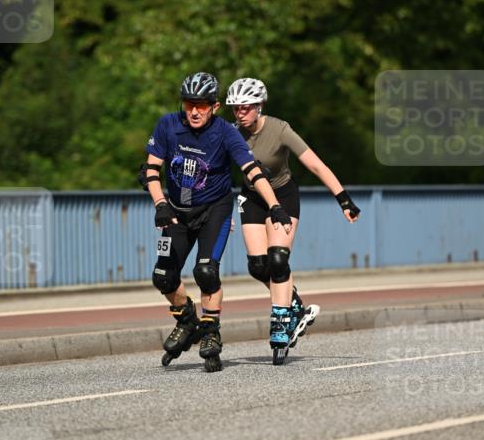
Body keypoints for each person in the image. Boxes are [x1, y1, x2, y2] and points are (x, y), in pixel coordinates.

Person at [140, 71, 292, 372]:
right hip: (176, 211)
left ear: (215, 106)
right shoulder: (168, 125)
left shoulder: (225, 133)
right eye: (189, 104)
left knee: (206, 271)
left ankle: (211, 332)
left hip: (214, 210)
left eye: (202, 105)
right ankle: (187, 321)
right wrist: (160, 204)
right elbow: (150, 170)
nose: (195, 111)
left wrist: (274, 205)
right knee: (163, 277)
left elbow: (252, 170)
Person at [225, 77, 361, 363]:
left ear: (260, 106)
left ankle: (281, 318)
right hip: (252, 198)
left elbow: (315, 164)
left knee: (277, 260)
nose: (240, 113)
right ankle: (295, 304)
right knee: (258, 266)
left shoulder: (280, 129)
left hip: (283, 195)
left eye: (246, 107)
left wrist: (343, 199)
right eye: (236, 108)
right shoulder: (232, 133)